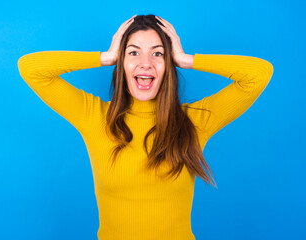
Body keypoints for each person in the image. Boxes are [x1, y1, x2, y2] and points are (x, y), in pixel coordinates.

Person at [18, 14, 273, 240]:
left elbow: (259, 74)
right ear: (122, 62)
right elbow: (31, 68)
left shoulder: (194, 121)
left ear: (168, 65)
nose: (146, 63)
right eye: (133, 52)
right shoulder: (94, 116)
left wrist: (185, 59)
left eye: (158, 53)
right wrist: (106, 57)